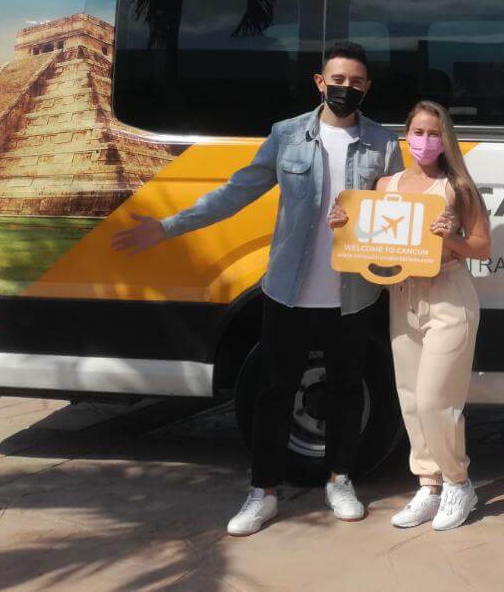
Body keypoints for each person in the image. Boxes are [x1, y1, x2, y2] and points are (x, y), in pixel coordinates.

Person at [112, 41, 402, 536]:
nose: (345, 89)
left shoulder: (382, 143)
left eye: (355, 82)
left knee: (347, 391)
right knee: (274, 392)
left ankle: (340, 479)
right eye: (338, 80)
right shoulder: (287, 136)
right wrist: (167, 227)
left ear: (367, 87)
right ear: (320, 82)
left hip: (353, 294)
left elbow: (397, 212)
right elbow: (236, 192)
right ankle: (262, 491)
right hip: (288, 291)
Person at [329, 99, 490, 532]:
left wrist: (452, 238)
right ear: (406, 135)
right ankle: (429, 484)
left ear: (446, 139)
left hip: (448, 296)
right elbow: (372, 242)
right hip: (403, 297)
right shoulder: (388, 185)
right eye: (418, 132)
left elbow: (482, 247)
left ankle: (459, 483)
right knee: (412, 399)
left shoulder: (458, 188)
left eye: (434, 134)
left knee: (439, 399)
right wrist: (343, 225)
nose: (424, 141)